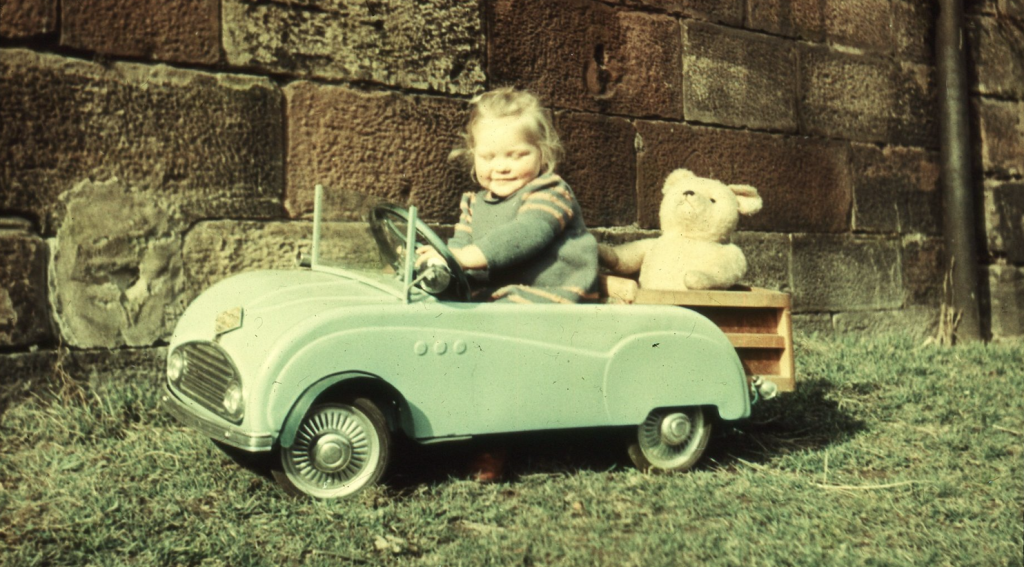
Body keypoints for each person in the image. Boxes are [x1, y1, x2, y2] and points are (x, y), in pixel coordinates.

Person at [418, 87, 599, 304]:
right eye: (488, 157)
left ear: (543, 153)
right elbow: (460, 245)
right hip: (501, 293)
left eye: (516, 156)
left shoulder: (550, 191)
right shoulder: (474, 204)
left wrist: (463, 258)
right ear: (473, 155)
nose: (502, 167)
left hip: (554, 293)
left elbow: (525, 233)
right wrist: (443, 260)